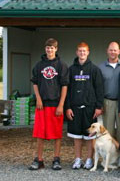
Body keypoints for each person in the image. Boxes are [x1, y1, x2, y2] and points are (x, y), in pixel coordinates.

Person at [29, 38, 69, 171]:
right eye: (47, 47)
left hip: (56, 104)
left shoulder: (61, 65)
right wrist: (38, 99)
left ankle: (56, 159)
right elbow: (35, 83)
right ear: (45, 49)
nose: (49, 50)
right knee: (40, 134)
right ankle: (39, 160)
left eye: (52, 47)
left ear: (56, 49)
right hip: (42, 105)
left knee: (57, 134)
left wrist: (61, 105)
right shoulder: (39, 65)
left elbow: (64, 86)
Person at [65, 42, 104, 170]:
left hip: (89, 108)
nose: (82, 53)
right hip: (75, 108)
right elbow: (67, 90)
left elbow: (99, 89)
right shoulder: (71, 70)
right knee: (76, 136)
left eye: (84, 51)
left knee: (89, 135)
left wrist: (98, 107)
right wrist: (68, 107)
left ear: (88, 52)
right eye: (80, 51)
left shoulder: (94, 69)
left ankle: (89, 159)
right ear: (77, 52)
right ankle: (77, 159)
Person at [98, 42, 120, 144]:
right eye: (111, 50)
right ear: (107, 51)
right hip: (107, 101)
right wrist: (100, 104)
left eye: (115, 50)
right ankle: (109, 156)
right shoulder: (100, 67)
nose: (113, 52)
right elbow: (98, 87)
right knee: (107, 131)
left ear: (119, 51)